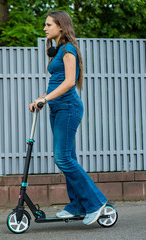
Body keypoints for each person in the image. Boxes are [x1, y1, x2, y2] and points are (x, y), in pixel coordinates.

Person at [29, 10, 108, 225]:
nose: (44, 28)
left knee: (62, 158)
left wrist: (45, 100)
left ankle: (95, 202)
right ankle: (76, 205)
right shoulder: (57, 51)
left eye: (48, 24)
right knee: (68, 158)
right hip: (58, 108)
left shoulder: (68, 49)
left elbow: (70, 82)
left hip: (68, 108)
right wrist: (42, 98)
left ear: (61, 26)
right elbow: (57, 82)